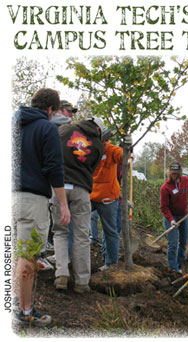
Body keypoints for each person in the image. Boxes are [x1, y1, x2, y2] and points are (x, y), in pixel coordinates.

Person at [12, 88, 71, 326]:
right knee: (27, 257)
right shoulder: (46, 128)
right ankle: (24, 312)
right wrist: (63, 205)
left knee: (14, 254)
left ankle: (16, 302)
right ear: (51, 110)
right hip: (31, 200)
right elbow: (54, 169)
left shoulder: (13, 124)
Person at [52, 117, 105, 293]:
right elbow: (93, 168)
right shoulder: (98, 144)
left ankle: (61, 274)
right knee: (82, 235)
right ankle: (82, 282)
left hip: (59, 186)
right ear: (98, 129)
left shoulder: (65, 131)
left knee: (60, 232)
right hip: (81, 189)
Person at [90, 136, 131, 271]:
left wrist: (127, 150)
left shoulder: (112, 150)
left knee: (110, 231)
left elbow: (125, 160)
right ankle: (73, 258)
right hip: (90, 195)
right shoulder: (90, 149)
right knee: (76, 224)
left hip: (107, 198)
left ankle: (111, 264)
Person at [46, 100, 78, 264]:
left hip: (66, 180)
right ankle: (58, 253)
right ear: (59, 110)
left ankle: (64, 257)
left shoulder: (71, 132)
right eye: (69, 111)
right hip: (51, 179)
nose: (71, 115)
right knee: (56, 219)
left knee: (65, 221)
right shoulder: (50, 127)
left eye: (72, 112)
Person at [160, 162, 188, 273]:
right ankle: (172, 267)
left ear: (180, 172)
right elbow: (164, 207)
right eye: (172, 172)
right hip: (171, 218)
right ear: (169, 172)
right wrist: (171, 220)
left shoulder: (186, 181)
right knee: (173, 243)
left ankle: (179, 265)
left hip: (184, 215)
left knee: (183, 242)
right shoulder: (165, 187)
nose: (174, 175)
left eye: (176, 172)